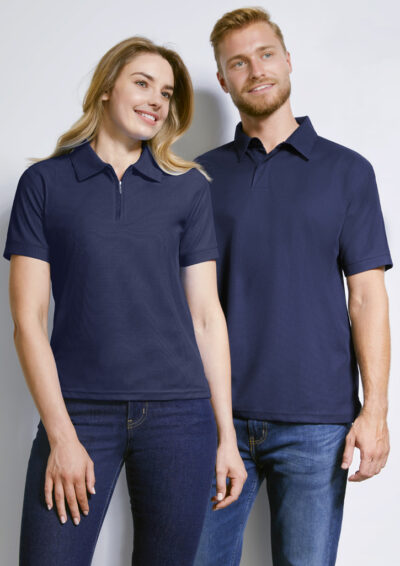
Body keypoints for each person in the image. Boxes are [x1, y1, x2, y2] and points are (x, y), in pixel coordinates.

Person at [3, 36, 247, 566]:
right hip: (78, 411)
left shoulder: (188, 188)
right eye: (142, 83)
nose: (156, 99)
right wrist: (62, 437)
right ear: (106, 88)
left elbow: (207, 318)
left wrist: (227, 437)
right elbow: (28, 321)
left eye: (166, 92)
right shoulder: (44, 183)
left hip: (179, 417)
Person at [193, 7, 393, 566]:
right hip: (216, 419)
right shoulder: (198, 177)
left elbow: (367, 298)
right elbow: (186, 303)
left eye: (265, 54)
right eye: (238, 62)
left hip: (317, 422)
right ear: (223, 79)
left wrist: (375, 412)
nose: (256, 70)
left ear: (287, 60)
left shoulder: (348, 171)